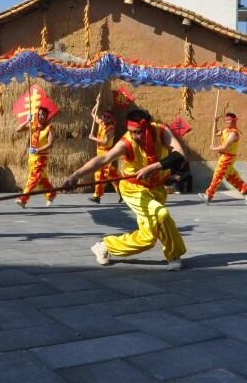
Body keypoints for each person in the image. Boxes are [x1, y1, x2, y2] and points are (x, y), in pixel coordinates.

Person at [65, 109, 187, 271]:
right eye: (131, 132)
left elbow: (180, 155)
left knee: (148, 238)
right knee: (160, 213)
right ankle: (174, 254)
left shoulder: (161, 131)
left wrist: (153, 167)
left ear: (148, 127)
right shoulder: (126, 142)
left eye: (138, 132)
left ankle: (105, 245)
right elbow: (103, 159)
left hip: (156, 188)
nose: (134, 136)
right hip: (134, 189)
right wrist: (76, 175)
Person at [199, 112, 247, 205]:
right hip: (224, 156)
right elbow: (216, 133)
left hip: (228, 156)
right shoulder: (225, 130)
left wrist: (214, 148)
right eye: (226, 120)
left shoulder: (234, 134)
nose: (227, 121)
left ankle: (208, 195)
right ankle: (246, 191)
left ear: (234, 120)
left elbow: (225, 147)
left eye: (229, 120)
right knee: (230, 176)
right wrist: (215, 122)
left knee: (218, 175)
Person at [15, 106, 56, 208]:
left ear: (47, 117)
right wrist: (26, 121)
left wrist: (37, 150)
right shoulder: (33, 125)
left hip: (41, 157)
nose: (41, 116)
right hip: (32, 157)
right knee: (41, 179)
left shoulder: (50, 128)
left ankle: (23, 200)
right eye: (39, 114)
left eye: (43, 115)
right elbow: (18, 130)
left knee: (33, 178)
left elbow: (50, 144)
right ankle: (51, 193)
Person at [87, 108, 120, 203]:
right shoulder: (101, 122)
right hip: (99, 152)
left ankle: (97, 196)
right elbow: (93, 113)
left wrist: (93, 138)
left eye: (108, 117)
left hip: (106, 153)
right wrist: (97, 103)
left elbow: (105, 142)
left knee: (100, 173)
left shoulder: (111, 129)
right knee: (111, 174)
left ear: (111, 119)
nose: (105, 118)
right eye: (104, 116)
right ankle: (122, 192)